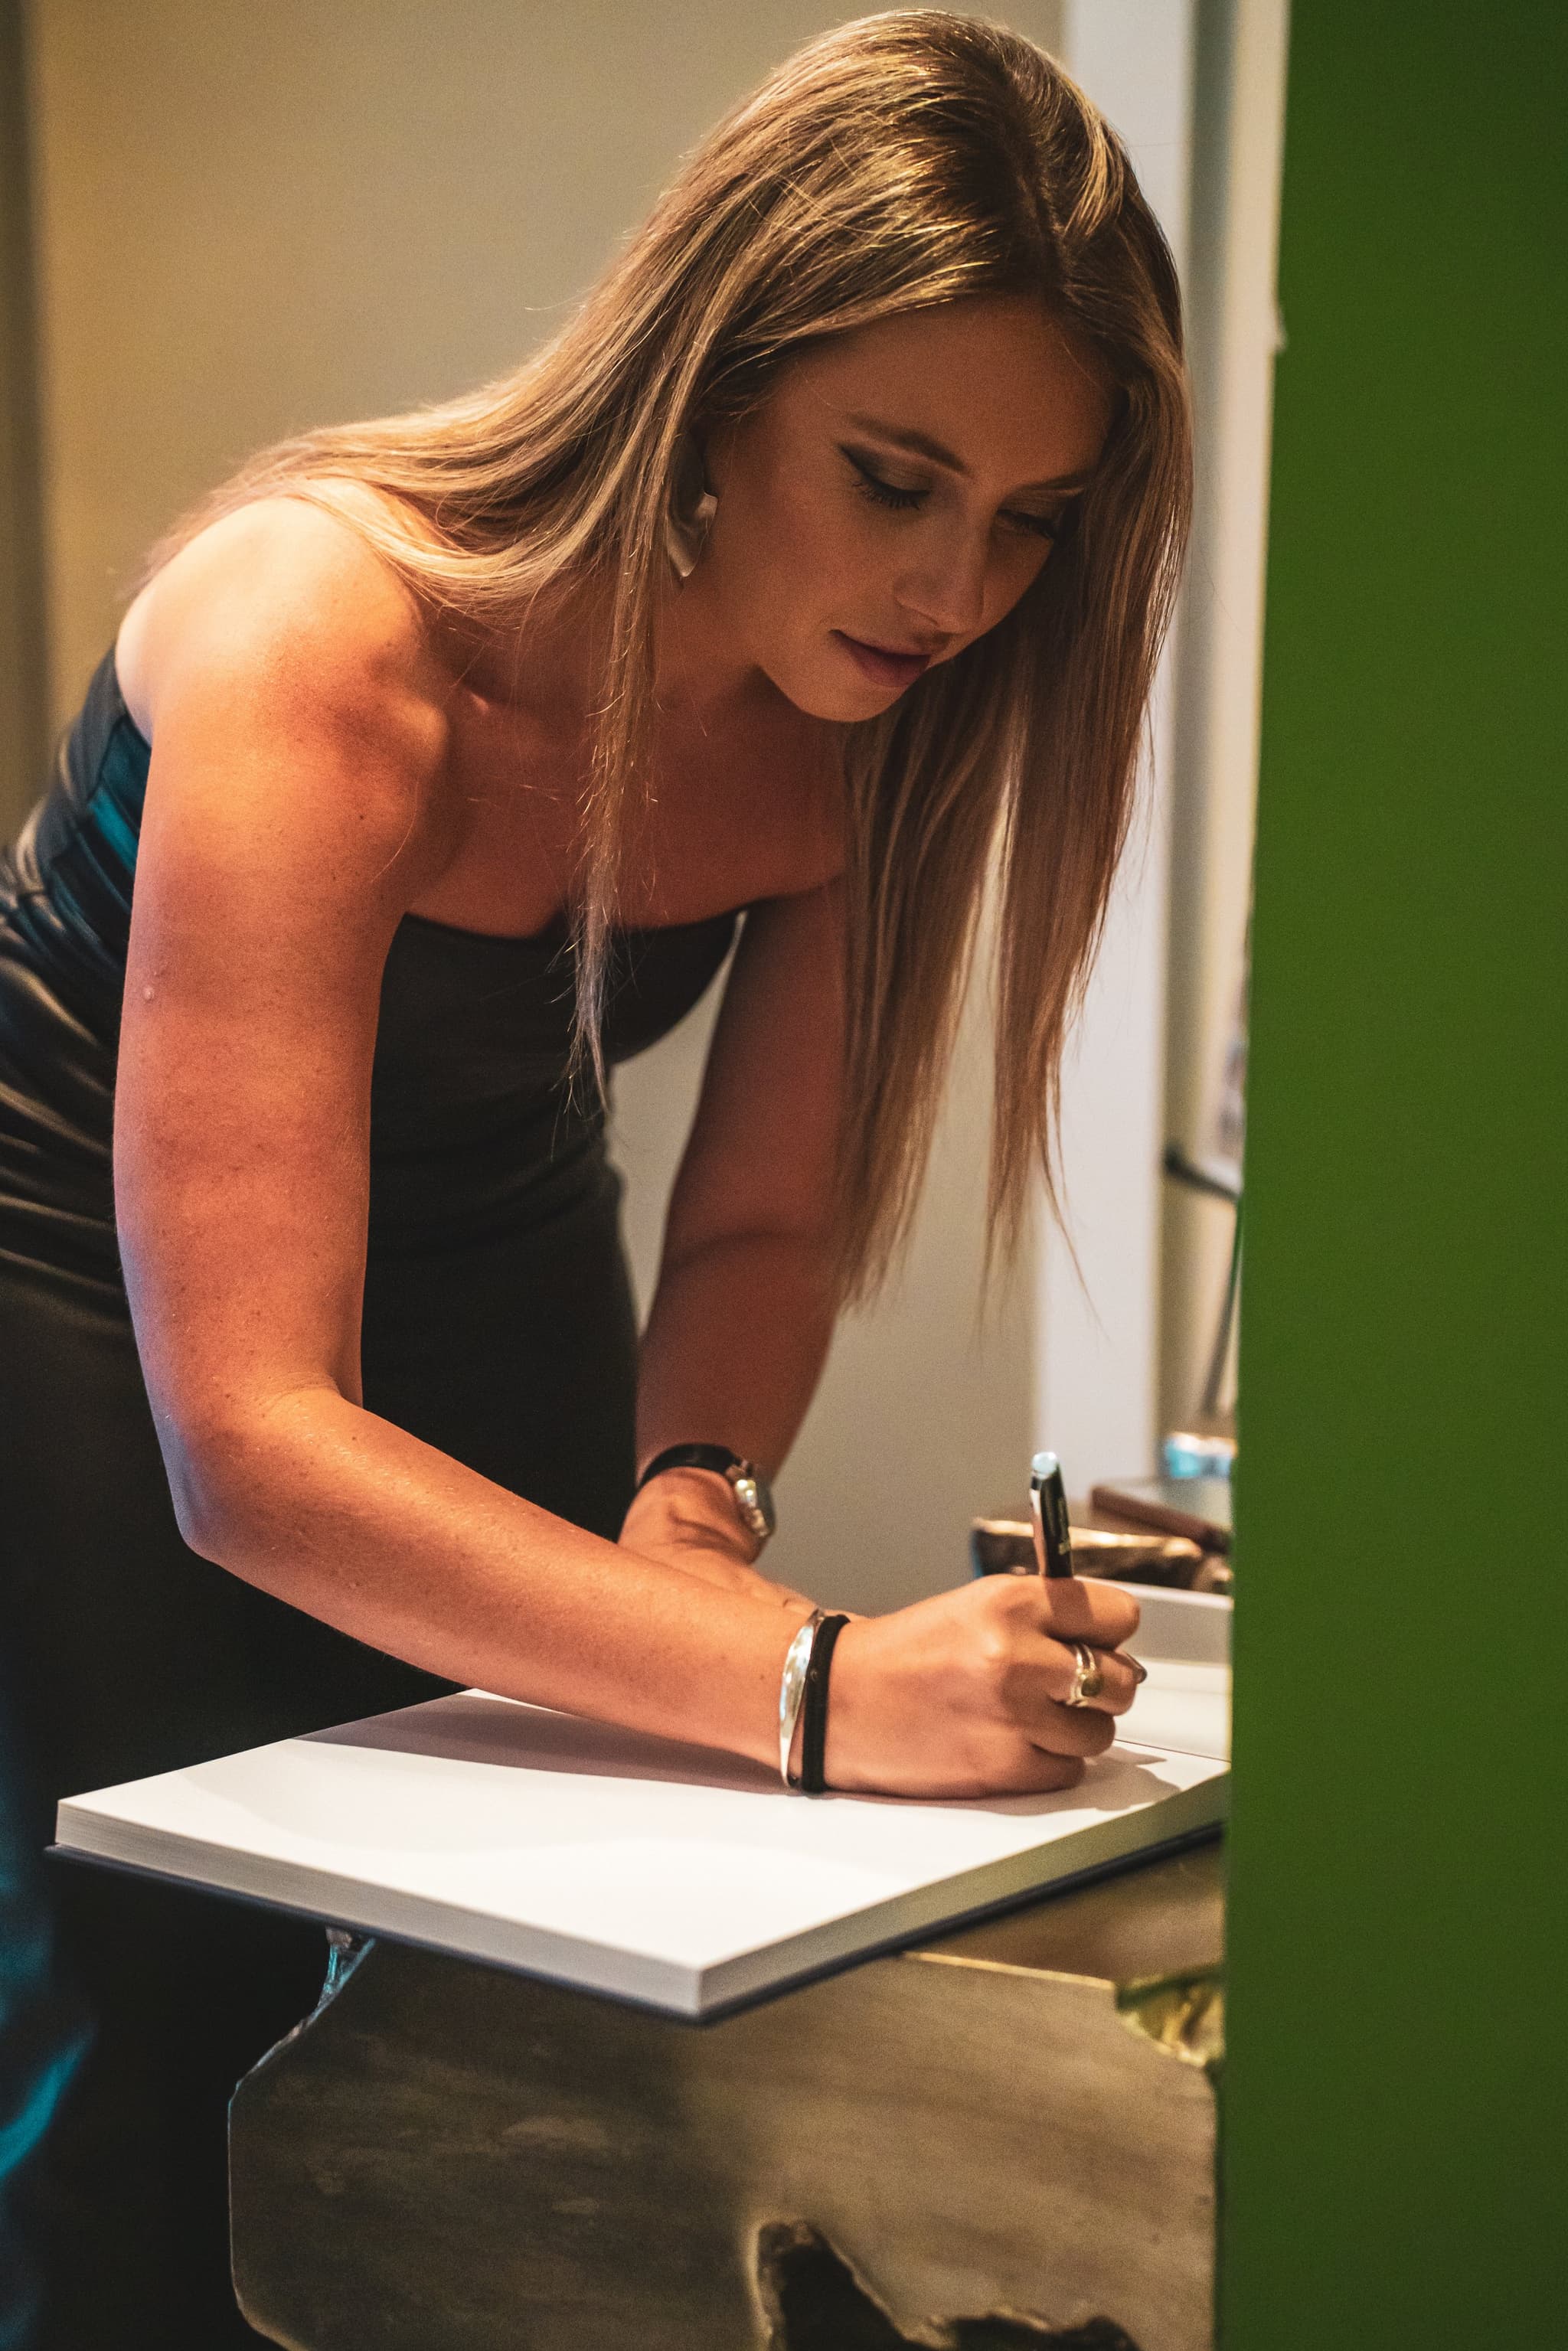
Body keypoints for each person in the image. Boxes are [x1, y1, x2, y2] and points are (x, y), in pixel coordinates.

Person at [0, 12, 1191, 2344]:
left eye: (1030, 519)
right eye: (895, 475)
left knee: (499, 2010)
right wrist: (822, 1686)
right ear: (714, 386)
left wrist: (698, 1516)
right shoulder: (319, 637)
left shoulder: (877, 721)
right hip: (88, 1313)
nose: (957, 591)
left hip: (508, 1257)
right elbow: (247, 1446)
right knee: (145, 2028)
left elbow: (754, 1224)